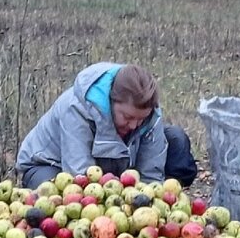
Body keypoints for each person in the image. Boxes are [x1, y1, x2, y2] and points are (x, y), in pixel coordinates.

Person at [16, 62, 166, 189]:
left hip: (105, 168)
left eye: (140, 119)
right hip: (49, 164)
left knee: (177, 141)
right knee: (56, 198)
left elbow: (151, 176)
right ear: (110, 103)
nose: (134, 125)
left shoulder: (151, 115)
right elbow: (80, 177)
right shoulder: (76, 109)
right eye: (127, 117)